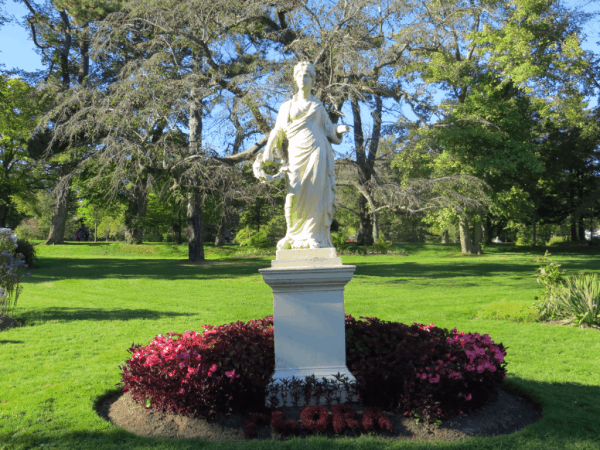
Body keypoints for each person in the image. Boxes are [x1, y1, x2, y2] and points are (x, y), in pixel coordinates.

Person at [253, 61, 350, 249]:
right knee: (294, 194)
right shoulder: (287, 106)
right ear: (295, 78)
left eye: (307, 75)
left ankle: (313, 235)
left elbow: (329, 130)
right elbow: (278, 130)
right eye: (300, 75)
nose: (303, 78)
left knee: (315, 194)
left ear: (312, 80)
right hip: (297, 153)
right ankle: (293, 235)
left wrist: (339, 128)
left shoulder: (318, 106)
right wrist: (268, 150)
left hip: (317, 152)